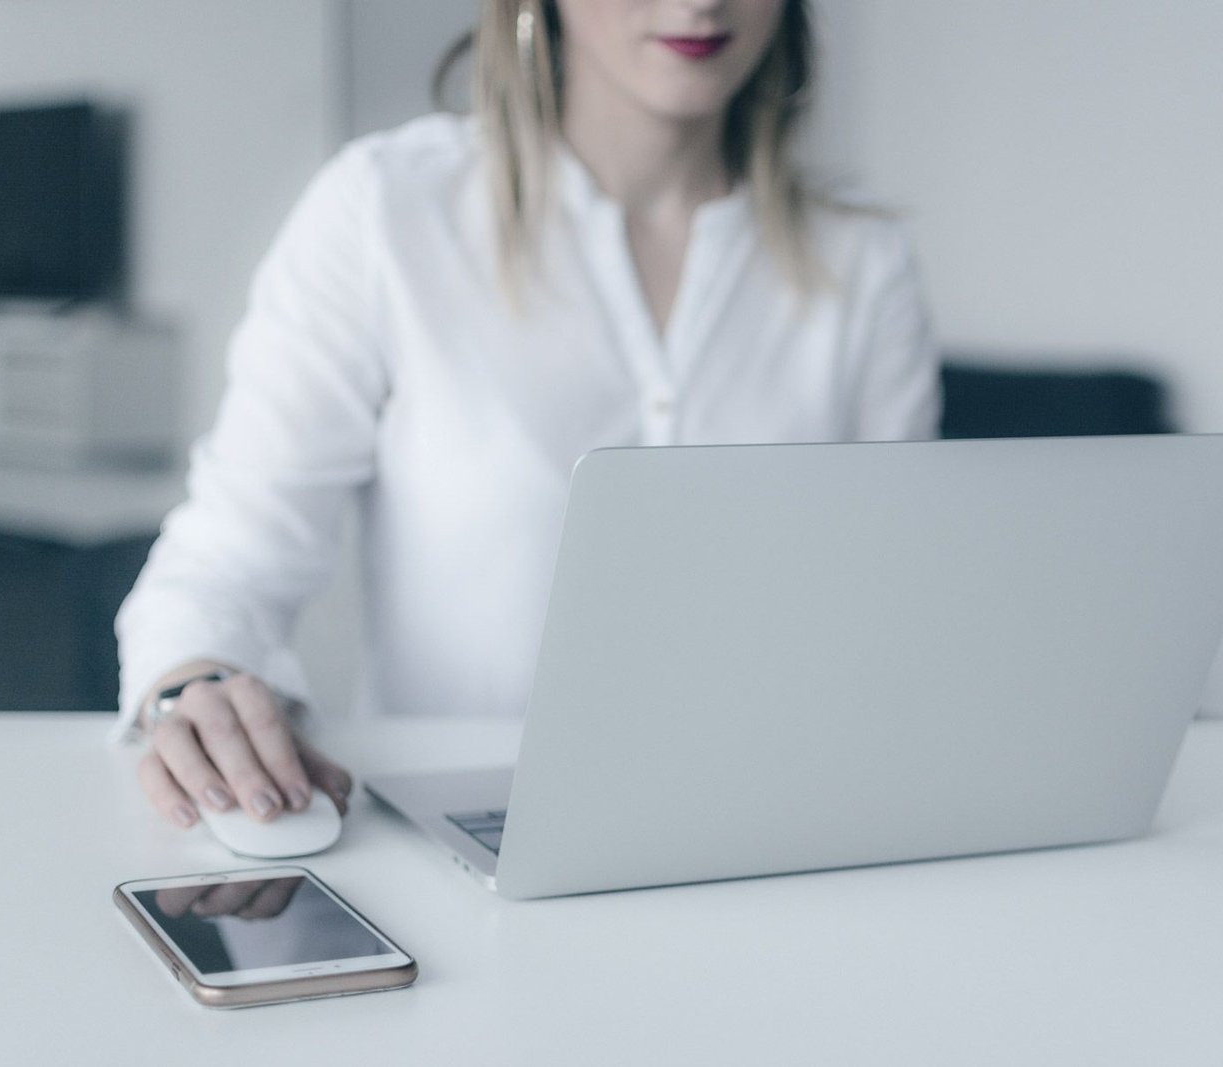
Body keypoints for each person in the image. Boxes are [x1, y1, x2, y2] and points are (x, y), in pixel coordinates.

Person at [114, 0, 941, 831]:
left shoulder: (863, 262)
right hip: (462, 832)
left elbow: (896, 612)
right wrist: (194, 685)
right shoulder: (387, 212)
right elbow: (226, 563)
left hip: (774, 828)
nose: (701, 2)